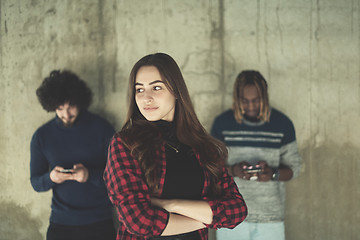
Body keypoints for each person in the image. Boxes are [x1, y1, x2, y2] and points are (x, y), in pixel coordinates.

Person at [103, 53, 247, 240]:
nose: (146, 98)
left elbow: (237, 210)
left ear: (176, 91)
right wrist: (207, 218)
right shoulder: (125, 144)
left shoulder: (203, 146)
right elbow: (138, 222)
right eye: (139, 90)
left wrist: (172, 205)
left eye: (156, 87)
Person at [211, 70, 302, 240]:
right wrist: (234, 170)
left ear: (265, 97)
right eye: (245, 101)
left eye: (256, 100)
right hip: (230, 215)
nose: (251, 106)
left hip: (270, 218)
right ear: (236, 99)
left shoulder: (282, 124)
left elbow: (294, 168)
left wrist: (272, 174)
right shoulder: (222, 124)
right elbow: (211, 168)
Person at [30, 70, 116, 240]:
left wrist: (89, 175)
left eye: (71, 107)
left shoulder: (103, 129)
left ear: (80, 101)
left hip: (99, 223)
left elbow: (118, 178)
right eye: (60, 109)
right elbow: (36, 183)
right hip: (60, 225)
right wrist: (51, 178)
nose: (66, 114)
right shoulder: (42, 136)